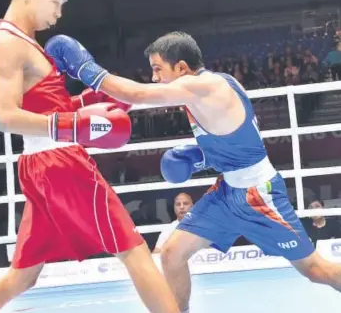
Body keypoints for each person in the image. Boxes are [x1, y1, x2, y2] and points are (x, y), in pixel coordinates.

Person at [45, 31, 341, 313]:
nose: (155, 78)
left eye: (159, 69)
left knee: (316, 270)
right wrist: (200, 157)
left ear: (182, 68)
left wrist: (85, 69)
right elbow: (234, 139)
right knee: (173, 255)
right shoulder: (201, 91)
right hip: (227, 191)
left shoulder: (206, 86)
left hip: (259, 195)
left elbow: (140, 94)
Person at [0, 0, 180, 313]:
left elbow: (47, 106)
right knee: (133, 248)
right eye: (55, 2)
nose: (58, 14)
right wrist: (73, 124)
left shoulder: (27, 42)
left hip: (45, 165)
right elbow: (7, 117)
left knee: (23, 276)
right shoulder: (8, 43)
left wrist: (91, 100)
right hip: (58, 162)